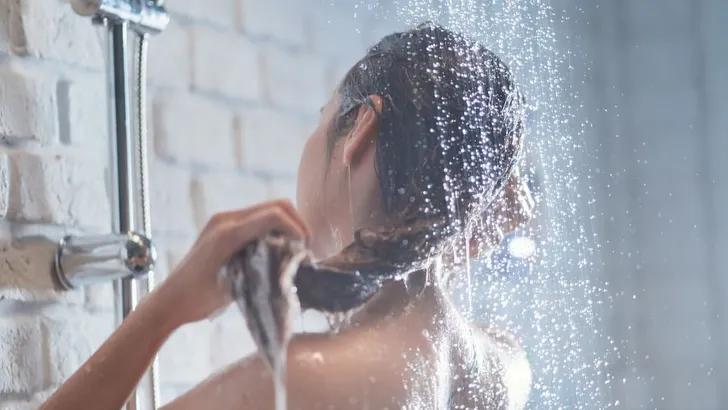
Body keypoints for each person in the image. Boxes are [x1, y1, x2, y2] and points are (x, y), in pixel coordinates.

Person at [39, 22, 535, 410]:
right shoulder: (503, 369)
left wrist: (165, 308)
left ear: (360, 128)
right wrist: (460, 221)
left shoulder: (295, 381)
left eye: (322, 118)